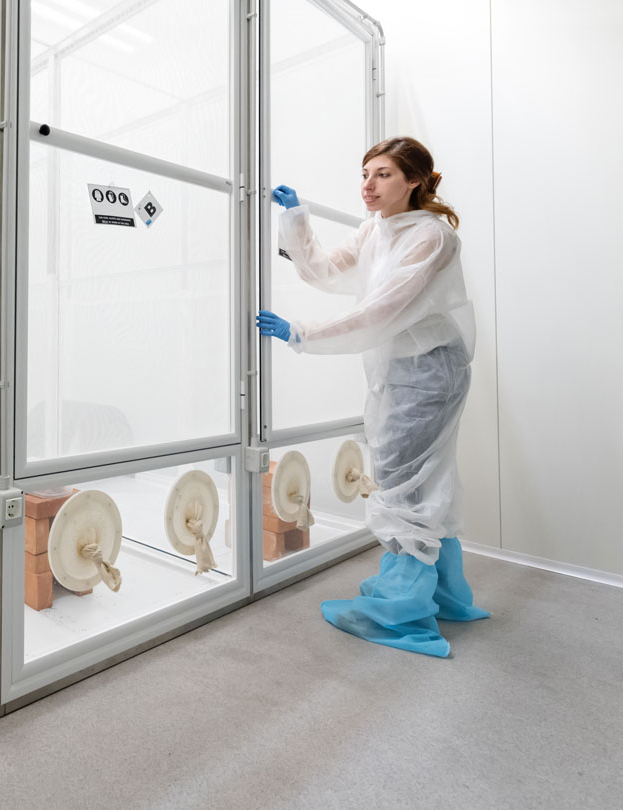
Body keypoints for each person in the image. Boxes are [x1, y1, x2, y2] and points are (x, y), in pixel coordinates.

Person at [258, 136, 488, 658]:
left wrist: (303, 333)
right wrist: (296, 219)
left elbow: (384, 308)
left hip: (429, 370)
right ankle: (445, 593)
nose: (368, 184)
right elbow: (323, 270)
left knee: (401, 481)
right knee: (425, 479)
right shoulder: (375, 230)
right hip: (404, 369)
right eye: (365, 173)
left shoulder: (432, 237)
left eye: (382, 174)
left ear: (414, 180)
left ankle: (401, 612)